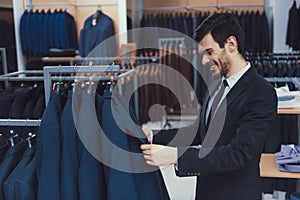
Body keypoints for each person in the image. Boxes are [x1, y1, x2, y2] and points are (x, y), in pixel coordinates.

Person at [141, 13, 277, 200]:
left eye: (209, 53)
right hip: (206, 191)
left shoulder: (261, 92)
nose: (204, 61)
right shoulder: (215, 85)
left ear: (231, 44)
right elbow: (200, 131)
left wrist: (176, 156)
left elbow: (239, 153)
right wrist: (154, 135)